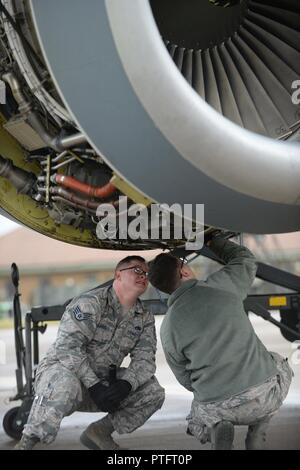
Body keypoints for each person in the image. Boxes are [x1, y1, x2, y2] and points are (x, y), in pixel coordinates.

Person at [148, 236, 293, 450]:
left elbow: (185, 380)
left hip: (216, 407)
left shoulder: (167, 327)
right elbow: (245, 259)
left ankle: (217, 430)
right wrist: (213, 241)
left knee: (199, 411)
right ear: (184, 272)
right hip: (261, 397)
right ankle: (257, 432)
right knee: (280, 363)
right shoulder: (221, 286)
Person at [16, 256, 165, 450]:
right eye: (137, 270)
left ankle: (99, 433)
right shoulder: (91, 303)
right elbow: (68, 349)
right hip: (63, 374)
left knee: (153, 392)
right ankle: (26, 444)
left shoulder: (144, 317)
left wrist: (126, 385)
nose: (143, 276)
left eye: (146, 273)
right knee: (64, 382)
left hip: (101, 382)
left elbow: (145, 360)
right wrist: (95, 386)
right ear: (118, 275)